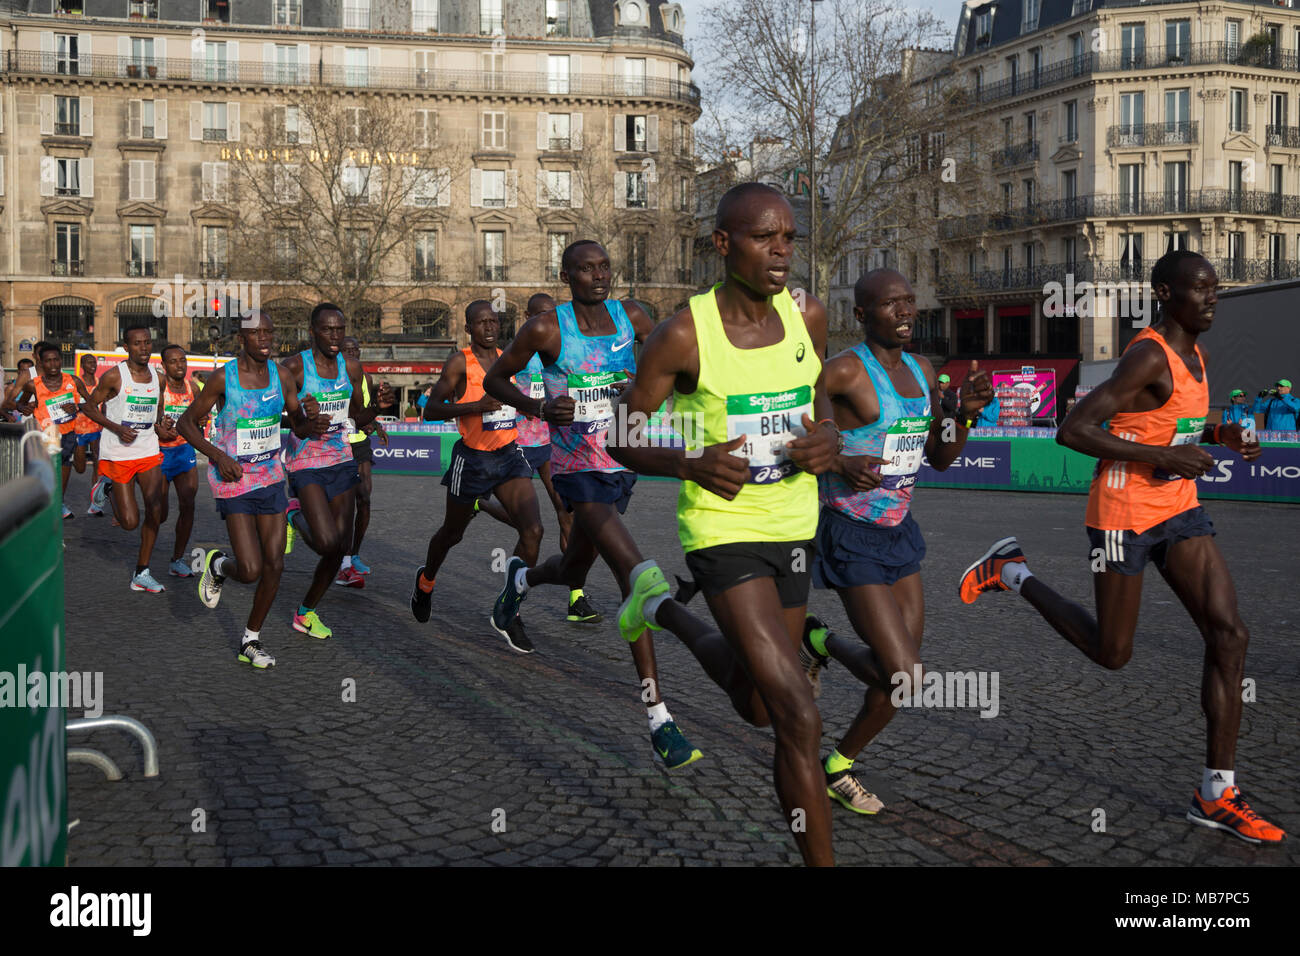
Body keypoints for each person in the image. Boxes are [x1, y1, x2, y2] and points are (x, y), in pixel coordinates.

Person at [958, 250, 1285, 844]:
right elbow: (1073, 428)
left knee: (1230, 634)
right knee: (1112, 654)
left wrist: (1220, 433)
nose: (1212, 298)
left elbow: (1171, 423)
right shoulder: (1145, 355)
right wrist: (1166, 458)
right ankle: (1013, 572)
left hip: (1180, 509)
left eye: (1215, 289)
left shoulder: (1197, 356)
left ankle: (1217, 793)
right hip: (1123, 515)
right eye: (1201, 289)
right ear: (1165, 292)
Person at [604, 184, 842, 864]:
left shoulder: (809, 316)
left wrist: (825, 436)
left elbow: (820, 391)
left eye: (789, 238)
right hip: (722, 532)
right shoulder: (684, 333)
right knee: (798, 713)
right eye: (765, 237)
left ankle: (660, 610)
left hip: (794, 528)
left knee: (759, 703)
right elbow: (621, 433)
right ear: (722, 244)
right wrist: (690, 463)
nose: (781, 251)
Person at [483, 240, 706, 771]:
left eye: (605, 266)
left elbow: (666, 366)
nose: (599, 275)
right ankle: (660, 721)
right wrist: (538, 405)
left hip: (623, 463)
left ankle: (520, 583)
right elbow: (496, 379)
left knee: (571, 567)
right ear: (567, 276)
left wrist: (644, 387)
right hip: (578, 471)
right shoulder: (546, 328)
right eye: (586, 269)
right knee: (637, 579)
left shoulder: (632, 315)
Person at [795, 269, 994, 815]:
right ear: (862, 315)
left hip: (900, 535)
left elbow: (941, 456)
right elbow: (799, 439)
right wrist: (839, 459)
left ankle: (838, 765)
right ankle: (822, 644)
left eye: (910, 301)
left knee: (900, 684)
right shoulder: (838, 372)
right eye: (891, 305)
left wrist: (966, 417)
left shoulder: (922, 369)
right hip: (850, 533)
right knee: (908, 674)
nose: (906, 312)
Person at [178, 310, 327, 669]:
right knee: (249, 569)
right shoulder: (222, 379)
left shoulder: (282, 375)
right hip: (235, 481)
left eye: (269, 333)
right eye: (257, 333)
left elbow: (298, 426)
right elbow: (186, 424)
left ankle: (251, 639)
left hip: (272, 479)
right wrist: (217, 455)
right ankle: (218, 566)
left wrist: (311, 416)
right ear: (241, 339)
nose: (265, 339)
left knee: (274, 564)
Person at [410, 301, 545, 654]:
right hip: (471, 459)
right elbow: (431, 410)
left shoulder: (508, 358)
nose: (489, 326)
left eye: (494, 321)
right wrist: (475, 407)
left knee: (533, 531)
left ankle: (509, 610)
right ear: (469, 328)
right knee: (452, 534)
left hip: (508, 455)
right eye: (481, 322)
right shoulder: (459, 362)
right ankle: (426, 581)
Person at [471, 292, 599, 624]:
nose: (547, 320)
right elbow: (494, 388)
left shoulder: (562, 351)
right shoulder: (520, 353)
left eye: (552, 314)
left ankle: (576, 597)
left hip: (552, 444)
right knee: (529, 525)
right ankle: (514, 597)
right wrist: (524, 408)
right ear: (528, 316)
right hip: (519, 444)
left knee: (566, 512)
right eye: (540, 314)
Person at [281, 304, 390, 635]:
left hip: (341, 460)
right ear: (312, 331)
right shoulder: (294, 368)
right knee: (326, 543)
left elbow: (357, 417)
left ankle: (306, 612)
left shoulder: (352, 369)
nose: (334, 336)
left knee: (340, 548)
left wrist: (377, 408)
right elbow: (276, 416)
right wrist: (303, 417)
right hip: (306, 463)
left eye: (339, 329)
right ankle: (293, 514)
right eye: (327, 330)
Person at [81, 327, 177, 591]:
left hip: (147, 449)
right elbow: (89, 407)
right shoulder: (114, 376)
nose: (144, 348)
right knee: (129, 522)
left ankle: (141, 571)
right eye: (137, 344)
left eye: (147, 342)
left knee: (155, 508)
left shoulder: (159, 379)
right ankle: (107, 486)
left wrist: (162, 425)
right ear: (126, 347)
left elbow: (157, 413)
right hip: (119, 452)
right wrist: (116, 428)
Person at [1, 341, 94, 519]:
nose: (52, 364)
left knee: (64, 464)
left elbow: (89, 402)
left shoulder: (70, 380)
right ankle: (39, 502)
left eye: (56, 359)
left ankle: (58, 501)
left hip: (66, 429)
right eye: (47, 359)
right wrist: (22, 407)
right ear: (40, 361)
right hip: (39, 429)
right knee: (45, 466)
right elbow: (14, 402)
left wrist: (76, 407)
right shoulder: (31, 380)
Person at [340, 336, 388, 578]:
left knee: (365, 498)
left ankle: (353, 554)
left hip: (359, 445)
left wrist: (375, 424)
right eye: (347, 350)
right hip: (336, 447)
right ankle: (343, 558)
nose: (353, 353)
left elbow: (366, 410)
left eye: (356, 349)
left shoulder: (367, 379)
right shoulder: (333, 379)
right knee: (342, 506)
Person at [157, 345, 202, 578]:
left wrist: (200, 420)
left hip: (184, 451)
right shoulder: (158, 388)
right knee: (160, 513)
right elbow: (147, 422)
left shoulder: (191, 387)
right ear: (164, 366)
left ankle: (177, 559)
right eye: (173, 361)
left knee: (188, 504)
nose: (180, 365)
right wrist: (159, 428)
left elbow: (199, 416)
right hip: (160, 454)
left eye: (183, 360)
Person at [73, 353, 103, 494]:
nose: (93, 365)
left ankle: (95, 498)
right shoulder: (77, 383)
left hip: (97, 427)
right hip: (79, 428)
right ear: (82, 365)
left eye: (94, 362)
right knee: (80, 469)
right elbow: (70, 404)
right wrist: (81, 407)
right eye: (89, 363)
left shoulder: (100, 383)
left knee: (98, 461)